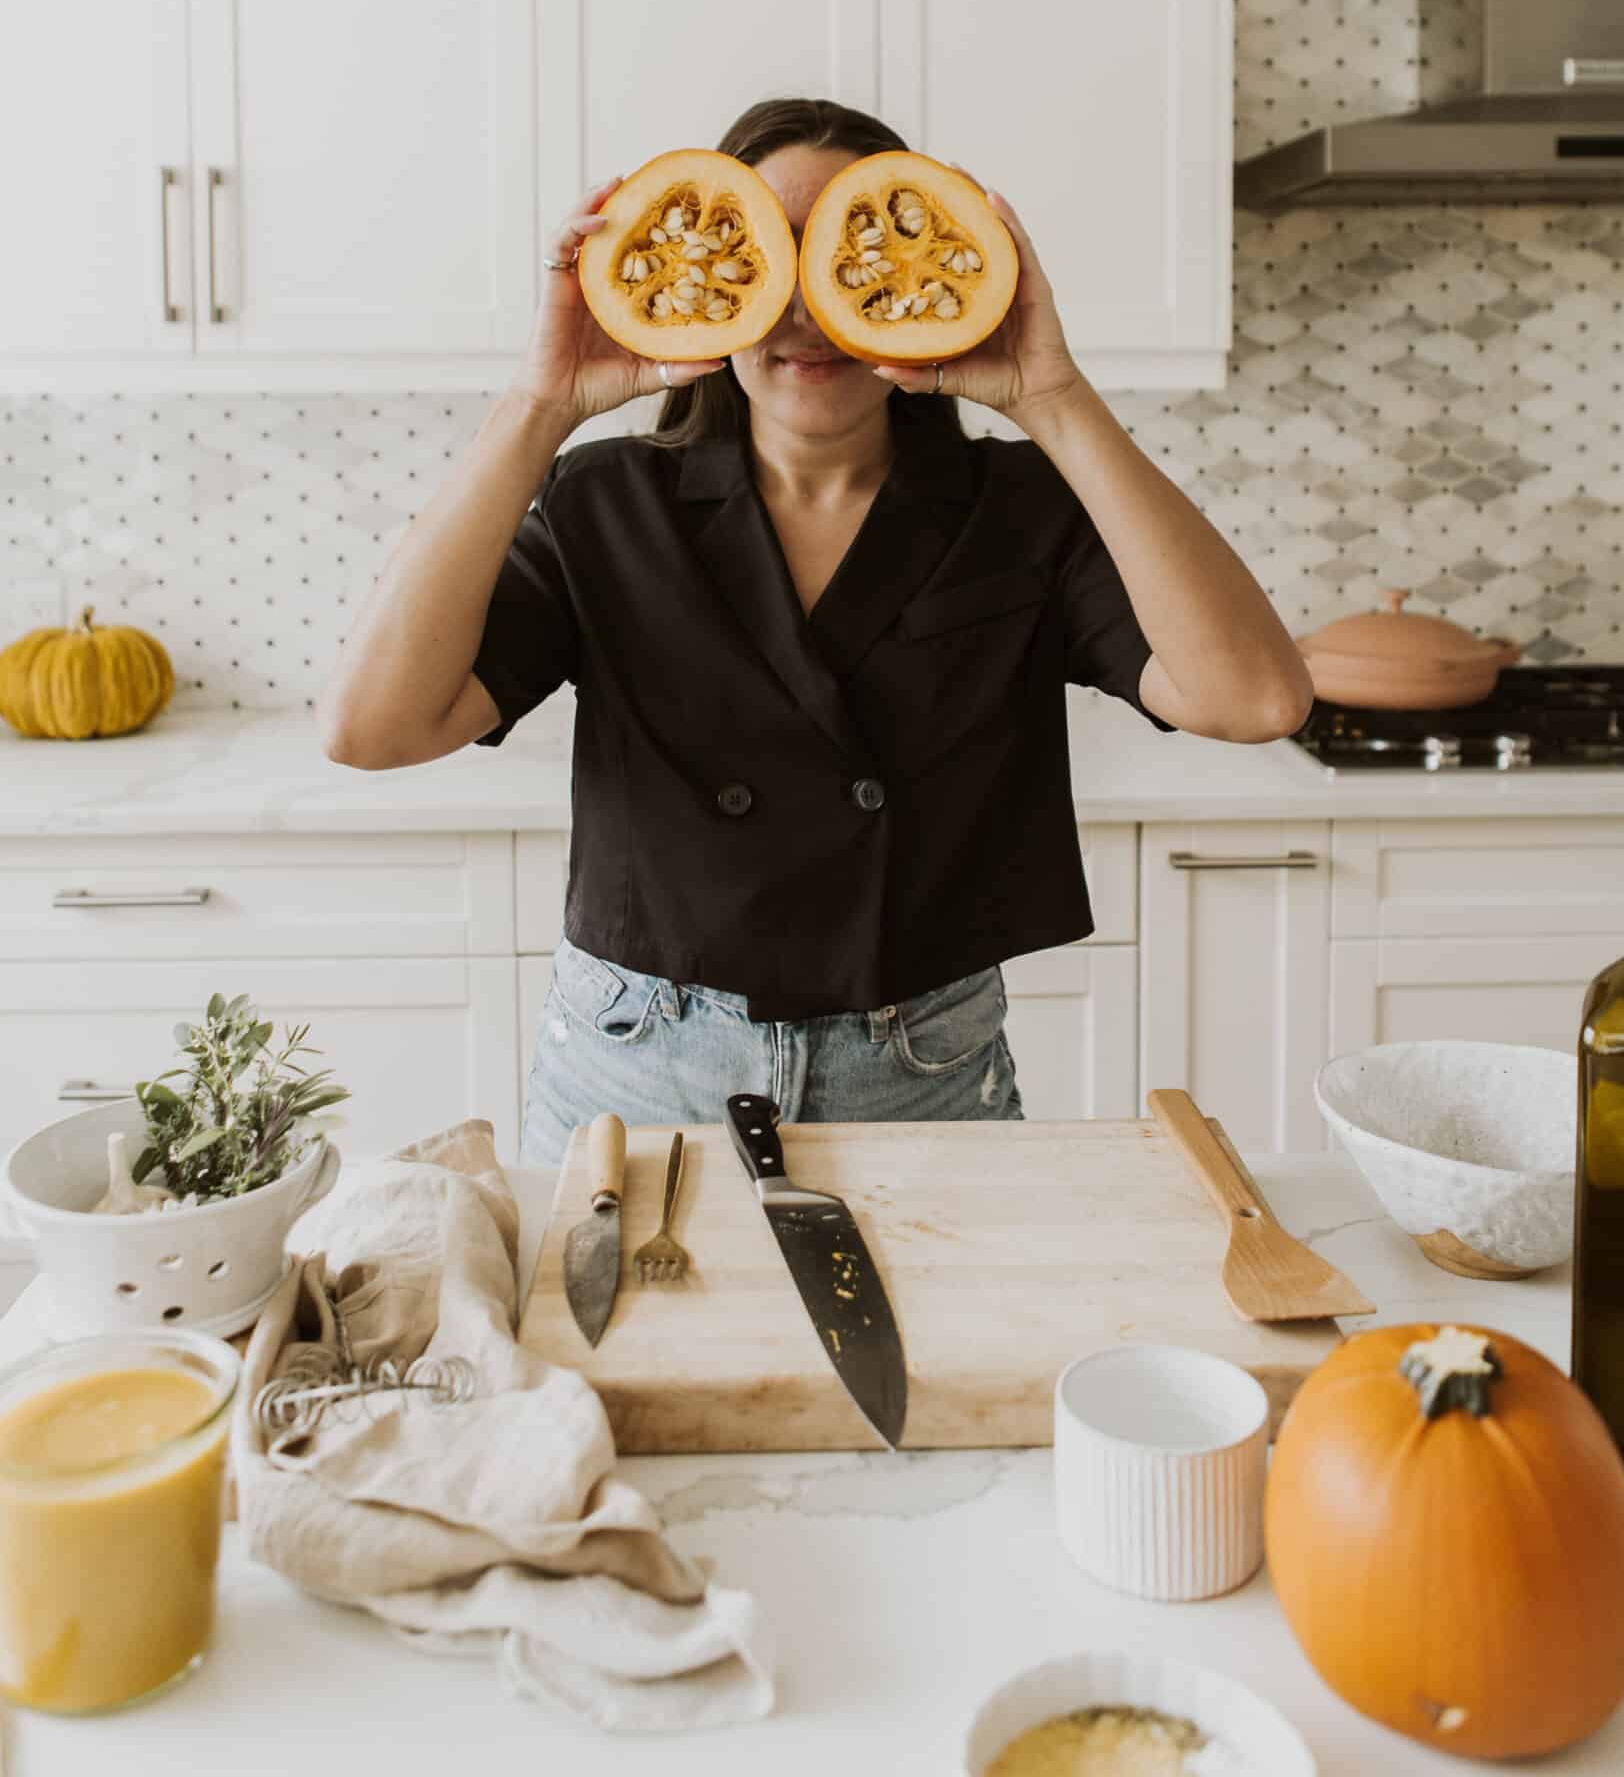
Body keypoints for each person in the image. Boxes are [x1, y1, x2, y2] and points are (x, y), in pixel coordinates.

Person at [319, 98, 1312, 1163]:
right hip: (635, 1070)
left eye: (853, 256)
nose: (808, 307)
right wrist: (538, 401)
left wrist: (1055, 395)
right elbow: (373, 727)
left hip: (923, 1073)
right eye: (767, 258)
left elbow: (1254, 699)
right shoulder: (607, 502)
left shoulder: (1020, 506)